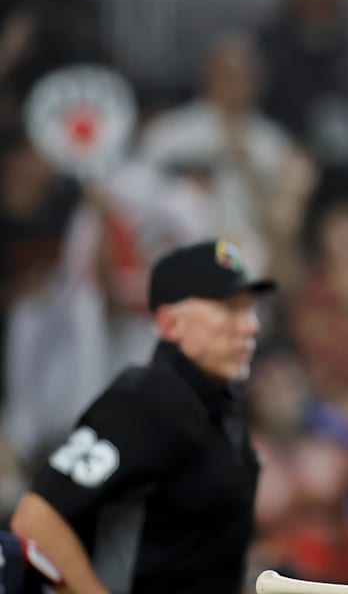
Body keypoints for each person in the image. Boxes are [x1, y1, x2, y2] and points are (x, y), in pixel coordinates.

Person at [9, 239, 274, 593]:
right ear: (169, 324)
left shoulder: (219, 408)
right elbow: (38, 518)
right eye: (229, 309)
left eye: (249, 309)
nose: (251, 326)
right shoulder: (145, 401)